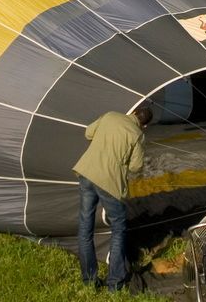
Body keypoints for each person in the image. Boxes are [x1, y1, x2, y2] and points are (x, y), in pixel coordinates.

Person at [73, 106, 152, 292]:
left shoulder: (110, 116)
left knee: (85, 227)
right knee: (118, 228)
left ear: (133, 113)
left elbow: (88, 133)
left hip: (87, 173)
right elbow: (136, 167)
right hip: (109, 183)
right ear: (145, 125)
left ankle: (89, 280)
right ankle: (114, 283)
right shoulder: (137, 135)